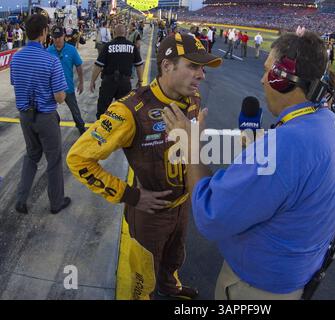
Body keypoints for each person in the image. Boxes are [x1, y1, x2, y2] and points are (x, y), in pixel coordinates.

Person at [163, 31, 335, 300]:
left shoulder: (284, 146)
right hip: (297, 275)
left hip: (256, 287)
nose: (262, 79)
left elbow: (210, 214)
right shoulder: (332, 122)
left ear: (283, 78)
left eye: (267, 72)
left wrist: (192, 147)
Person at [66, 33, 222, 299]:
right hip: (149, 213)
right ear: (167, 66)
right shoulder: (128, 110)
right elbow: (78, 158)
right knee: (140, 280)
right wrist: (130, 195)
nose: (202, 75)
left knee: (175, 256)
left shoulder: (193, 99)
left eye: (203, 68)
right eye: (193, 66)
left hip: (183, 204)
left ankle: (169, 286)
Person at [10, 14, 71, 214]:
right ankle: (56, 202)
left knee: (32, 155)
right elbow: (60, 97)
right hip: (45, 117)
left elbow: (15, 83)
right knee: (53, 159)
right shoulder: (51, 60)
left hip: (25, 116)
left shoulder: (16, 57)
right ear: (44, 33)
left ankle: (21, 198)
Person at [90, 24, 144, 119]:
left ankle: (100, 129)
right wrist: (140, 81)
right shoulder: (132, 47)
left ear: (114, 33)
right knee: (123, 109)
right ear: (126, 33)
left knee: (103, 108)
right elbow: (139, 65)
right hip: (125, 82)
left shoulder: (108, 46)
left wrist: (92, 81)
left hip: (108, 82)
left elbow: (98, 65)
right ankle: (120, 130)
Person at [48, 26, 86, 135]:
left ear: (64, 36)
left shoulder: (71, 49)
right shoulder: (48, 51)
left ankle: (81, 128)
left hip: (67, 87)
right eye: (55, 37)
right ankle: (52, 128)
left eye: (59, 37)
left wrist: (81, 82)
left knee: (75, 111)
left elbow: (78, 65)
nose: (57, 39)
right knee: (49, 111)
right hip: (53, 89)